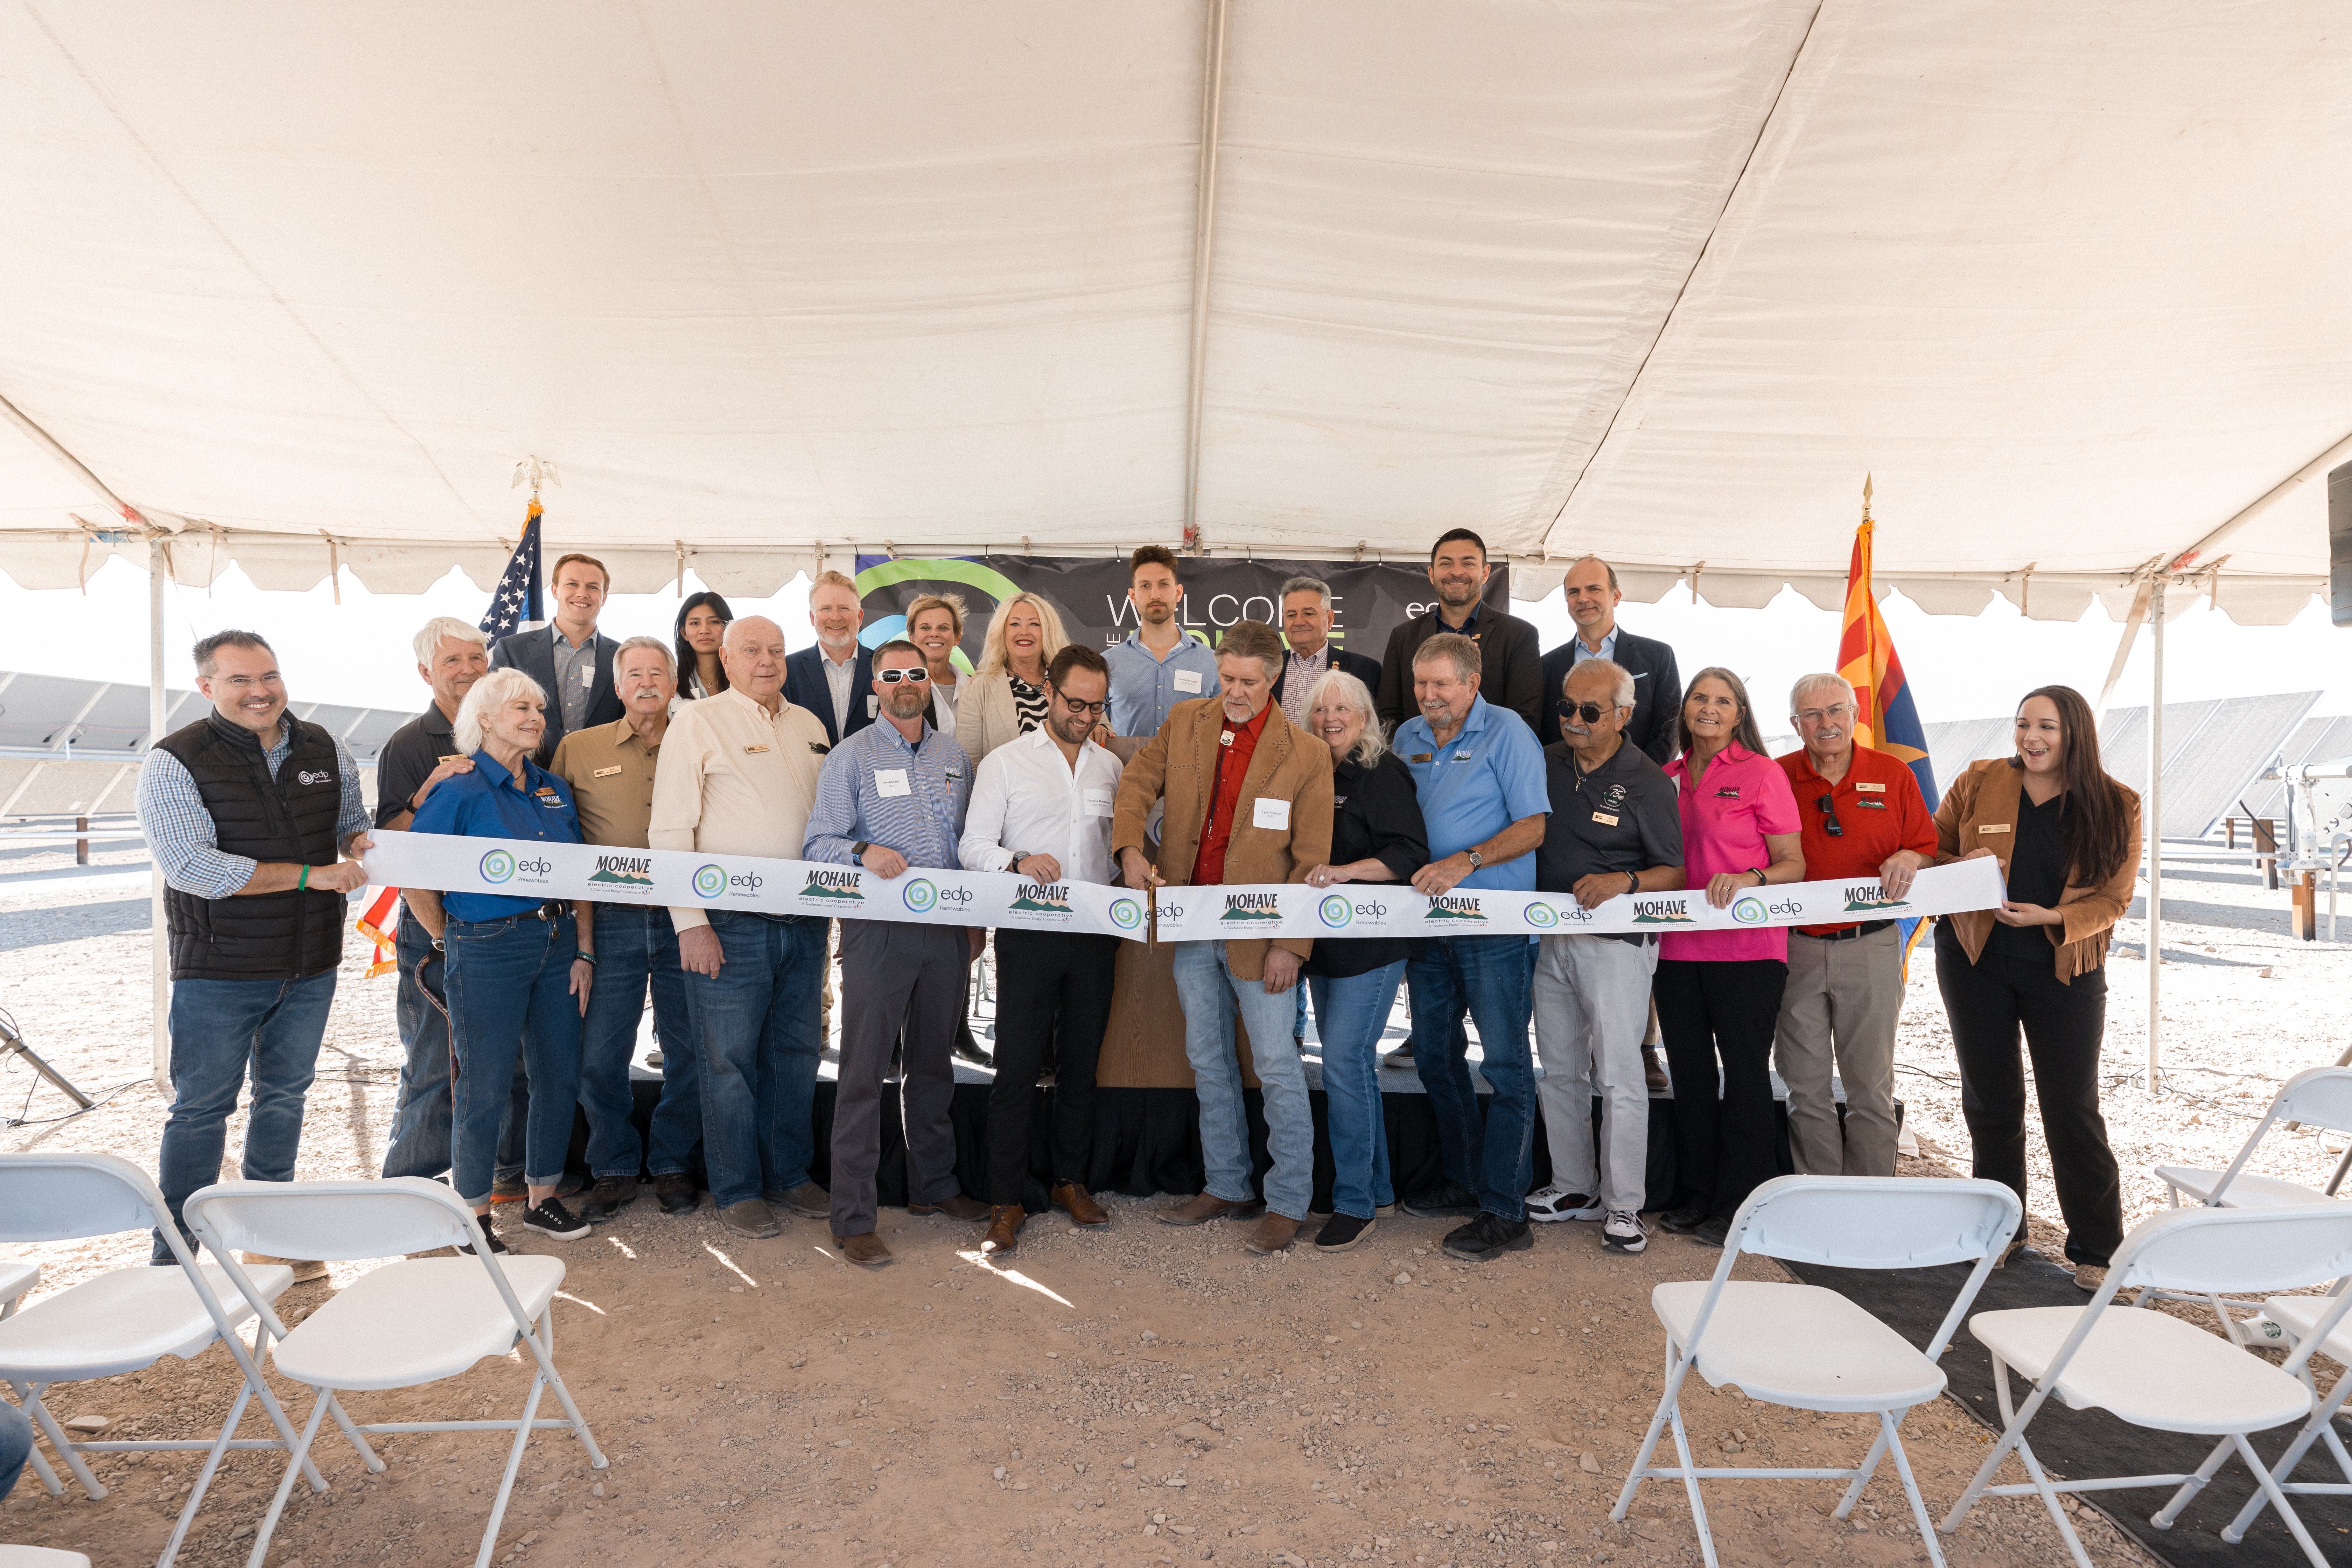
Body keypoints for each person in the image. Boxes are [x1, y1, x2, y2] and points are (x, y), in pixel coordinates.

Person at [136, 631, 372, 1273]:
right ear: (207, 687)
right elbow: (192, 867)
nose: (260, 691)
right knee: (201, 1110)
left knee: (285, 1097)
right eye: (240, 680)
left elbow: (351, 823)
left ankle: (273, 1241)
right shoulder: (174, 760)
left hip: (311, 963)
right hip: (220, 970)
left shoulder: (324, 745)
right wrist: (309, 875)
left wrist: (385, 835)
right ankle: (175, 1260)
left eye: (268, 676)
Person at [1116, 621, 1333, 1256]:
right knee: (1207, 1060)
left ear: (1274, 679)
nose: (1234, 691)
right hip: (1191, 925)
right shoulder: (1186, 722)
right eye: (1227, 677)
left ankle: (1288, 1202)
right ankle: (1228, 1185)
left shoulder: (1307, 754)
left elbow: (1312, 860)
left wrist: (1292, 946)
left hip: (1264, 937)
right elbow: (1136, 785)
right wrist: (1131, 846)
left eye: (1247, 682)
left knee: (1276, 1066)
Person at [1930, 685, 2137, 1292]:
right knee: (1991, 1102)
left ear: (2074, 733)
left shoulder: (2118, 802)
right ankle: (2002, 1231)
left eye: (2046, 726)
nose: (2032, 737)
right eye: (2023, 724)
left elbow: (2113, 899)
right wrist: (1965, 870)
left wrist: (2051, 918)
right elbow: (1932, 850)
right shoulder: (1979, 779)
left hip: (2064, 967)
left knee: (2071, 1108)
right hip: (1976, 958)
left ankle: (2098, 1247)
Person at [649, 617, 834, 1241]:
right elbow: (670, 830)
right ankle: (737, 1189)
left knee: (796, 1055)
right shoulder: (698, 722)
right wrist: (690, 924)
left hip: (805, 922)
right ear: (724, 661)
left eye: (777, 651)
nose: (767, 661)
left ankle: (788, 1175)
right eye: (751, 651)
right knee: (727, 1063)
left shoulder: (810, 725)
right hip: (728, 924)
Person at [805, 640, 988, 1267]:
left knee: (934, 1065)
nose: (906, 683)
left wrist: (975, 920)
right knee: (862, 1073)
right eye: (893, 675)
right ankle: (853, 1219)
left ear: (929, 680)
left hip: (947, 931)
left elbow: (971, 843)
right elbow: (818, 845)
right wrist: (862, 854)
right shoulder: (850, 757)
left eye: (916, 672)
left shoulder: (953, 755)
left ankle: (933, 1188)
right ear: (875, 688)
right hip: (878, 932)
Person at [403, 667, 592, 1250]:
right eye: (520, 709)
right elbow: (415, 873)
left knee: (557, 1075)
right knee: (483, 1083)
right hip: (487, 946)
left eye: (538, 708)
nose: (535, 718)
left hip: (558, 944)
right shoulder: (456, 790)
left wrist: (584, 948)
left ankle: (541, 1197)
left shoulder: (553, 788)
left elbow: (579, 873)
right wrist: (449, 938)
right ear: (484, 719)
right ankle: (474, 1215)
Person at [959, 644, 1124, 1254]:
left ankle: (1069, 1182)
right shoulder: (1005, 764)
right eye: (1075, 702)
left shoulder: (1111, 768)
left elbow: (1125, 842)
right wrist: (1019, 860)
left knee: (1082, 1064)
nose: (1084, 715)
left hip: (1096, 935)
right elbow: (972, 847)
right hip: (1029, 933)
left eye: (1096, 706)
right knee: (1019, 1066)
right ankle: (1005, 1199)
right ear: (1049, 693)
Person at [1390, 633, 1549, 1261]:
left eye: (1441, 684)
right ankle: (1463, 1180)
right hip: (1427, 929)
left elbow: (1534, 826)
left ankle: (1507, 1210)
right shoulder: (1406, 737)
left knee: (1507, 1066)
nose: (1429, 696)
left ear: (1472, 683)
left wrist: (1468, 861)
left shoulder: (1508, 732)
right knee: (1434, 1056)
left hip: (1495, 930)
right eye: (1421, 684)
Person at [1526, 659, 1684, 1256]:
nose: (1574, 719)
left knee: (1619, 1075)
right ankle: (1574, 1188)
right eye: (1567, 707)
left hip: (1617, 946)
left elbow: (1675, 870)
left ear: (1623, 715)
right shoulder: (1544, 761)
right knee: (1560, 1067)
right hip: (1551, 939)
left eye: (1590, 711)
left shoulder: (1647, 781)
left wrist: (1626, 882)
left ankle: (1625, 1205)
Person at [550, 637, 701, 1220]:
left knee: (687, 1046)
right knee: (600, 1052)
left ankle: (672, 1163)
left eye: (657, 672)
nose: (646, 682)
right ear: (617, 687)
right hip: (607, 921)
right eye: (634, 673)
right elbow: (556, 827)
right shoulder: (577, 748)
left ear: (672, 683)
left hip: (684, 915)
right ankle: (612, 1165)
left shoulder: (699, 742)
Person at [1654, 667, 1805, 1248]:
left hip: (1749, 953)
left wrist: (1752, 877)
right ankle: (1697, 1196)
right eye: (1700, 698)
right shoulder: (1664, 777)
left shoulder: (1760, 773)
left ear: (1739, 713)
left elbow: (1795, 863)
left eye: (1722, 700)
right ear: (1685, 709)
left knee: (1744, 1079)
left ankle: (1742, 1206)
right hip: (1676, 951)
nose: (1709, 709)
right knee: (1690, 1077)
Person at [1772, 673, 1937, 1180]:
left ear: (1856, 715)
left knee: (1870, 1087)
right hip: (1796, 949)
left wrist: (1909, 855)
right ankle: (1821, 1195)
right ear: (1795, 724)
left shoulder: (1893, 774)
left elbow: (1927, 847)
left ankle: (1872, 1199)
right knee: (1805, 1085)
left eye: (1836, 711)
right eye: (1813, 715)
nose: (1827, 724)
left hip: (1872, 949)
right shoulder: (1775, 776)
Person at [1299, 670, 1426, 1253]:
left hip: (1371, 946)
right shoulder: (1309, 770)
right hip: (1322, 947)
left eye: (1342, 708)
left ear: (1364, 716)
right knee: (1351, 1068)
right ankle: (1375, 1191)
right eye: (1321, 708)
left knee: (1346, 1063)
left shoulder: (1384, 773)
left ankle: (1351, 1203)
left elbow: (1408, 853)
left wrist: (1347, 872)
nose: (1330, 717)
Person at [374, 616, 492, 1185]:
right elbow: (391, 841)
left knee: (497, 1061)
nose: (468, 670)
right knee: (431, 1060)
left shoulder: (505, 729)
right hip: (435, 925)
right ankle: (410, 1186)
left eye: (476, 658)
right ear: (426, 672)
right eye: (453, 661)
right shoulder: (408, 744)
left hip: (497, 923)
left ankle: (490, 1179)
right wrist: (425, 794)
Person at [1373, 530, 1542, 733]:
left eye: (1468, 563)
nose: (1457, 572)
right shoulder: (1403, 637)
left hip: (1489, 764)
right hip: (1417, 763)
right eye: (1446, 564)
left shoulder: (1519, 636)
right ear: (1432, 574)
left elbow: (1523, 720)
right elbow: (1388, 718)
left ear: (1486, 573)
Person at [1534, 556, 1683, 761]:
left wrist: (1643, 780)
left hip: (1637, 785)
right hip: (1566, 786)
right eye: (1574, 592)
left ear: (1616, 596)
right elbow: (1540, 734)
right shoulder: (1546, 666)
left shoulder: (1658, 657)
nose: (1583, 598)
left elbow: (1669, 729)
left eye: (1594, 589)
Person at [490, 552, 623, 761]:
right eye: (572, 584)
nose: (582, 593)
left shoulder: (622, 657)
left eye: (593, 587)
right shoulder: (512, 650)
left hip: (600, 777)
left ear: (604, 597)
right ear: (555, 590)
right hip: (527, 776)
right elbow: (492, 714)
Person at [1104, 545, 1222, 748]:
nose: (1155, 595)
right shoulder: (1107, 662)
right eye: (1145, 586)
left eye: (1164, 584)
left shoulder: (1212, 662)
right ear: (1133, 596)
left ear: (1178, 592)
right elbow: (1096, 722)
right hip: (1127, 776)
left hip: (1193, 778)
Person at [955, 590, 1069, 770]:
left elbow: (1100, 730)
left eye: (1035, 624)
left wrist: (1100, 730)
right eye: (1015, 624)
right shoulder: (977, 688)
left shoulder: (1070, 680)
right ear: (1002, 632)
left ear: (1048, 631)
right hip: (1007, 797)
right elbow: (970, 764)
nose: (1024, 632)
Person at [1271, 576, 1380, 730]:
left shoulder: (1366, 671)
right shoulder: (1267, 668)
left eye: (1308, 614)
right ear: (1283, 620)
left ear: (1329, 619)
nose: (1299, 622)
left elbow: (1373, 731)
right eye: (1291, 615)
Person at [783, 569, 875, 746]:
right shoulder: (787, 670)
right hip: (810, 773)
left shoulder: (884, 667)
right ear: (812, 617)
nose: (835, 617)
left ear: (860, 616)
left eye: (844, 608)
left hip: (871, 772)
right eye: (826, 609)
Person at [906, 592, 968, 726]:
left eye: (943, 628)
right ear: (912, 637)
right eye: (926, 628)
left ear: (957, 637)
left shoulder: (976, 687)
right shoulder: (899, 686)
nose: (934, 634)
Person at [674, 590, 733, 702]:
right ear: (684, 633)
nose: (704, 630)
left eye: (714, 622)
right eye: (695, 623)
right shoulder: (671, 681)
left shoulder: (744, 678)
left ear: (728, 628)